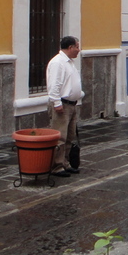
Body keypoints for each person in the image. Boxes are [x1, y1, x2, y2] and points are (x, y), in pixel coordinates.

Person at [47, 36, 84, 178]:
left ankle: (65, 162)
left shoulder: (69, 63)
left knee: (69, 136)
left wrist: (78, 94)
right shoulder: (58, 62)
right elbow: (54, 85)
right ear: (70, 48)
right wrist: (56, 103)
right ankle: (56, 166)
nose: (78, 50)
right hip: (62, 105)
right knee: (60, 137)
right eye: (77, 47)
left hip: (71, 105)